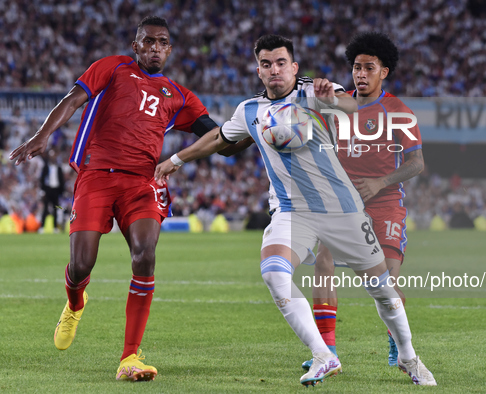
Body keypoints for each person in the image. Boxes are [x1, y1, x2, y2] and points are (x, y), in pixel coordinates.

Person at [155, 34, 436, 387]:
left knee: (382, 289)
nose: (275, 70)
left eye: (281, 63)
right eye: (267, 64)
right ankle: (324, 354)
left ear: (294, 67)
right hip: (291, 211)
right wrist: (176, 159)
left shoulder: (312, 94)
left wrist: (329, 96)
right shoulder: (250, 111)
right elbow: (218, 139)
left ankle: (409, 357)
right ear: (258, 70)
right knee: (274, 274)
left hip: (341, 209)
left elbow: (351, 106)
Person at [10, 16, 221, 381]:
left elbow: (219, 136)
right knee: (81, 265)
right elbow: (73, 99)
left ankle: (130, 357)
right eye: (148, 41)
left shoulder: (178, 95)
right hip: (96, 175)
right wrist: (42, 135)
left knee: (145, 254)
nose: (155, 47)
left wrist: (256, 129)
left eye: (162, 42)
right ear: (136, 46)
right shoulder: (113, 68)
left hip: (143, 181)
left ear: (169, 49)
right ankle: (76, 301)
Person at [300, 32, 424, 372]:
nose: (360, 74)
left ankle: (399, 349)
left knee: (385, 280)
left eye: (369, 68)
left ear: (384, 71)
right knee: (323, 262)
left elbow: (417, 163)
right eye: (356, 67)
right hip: (343, 204)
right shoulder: (337, 105)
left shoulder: (399, 111)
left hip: (385, 204)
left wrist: (380, 182)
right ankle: (326, 351)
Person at [39, 149, 66, 232]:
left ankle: (55, 227)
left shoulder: (58, 168)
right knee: (45, 208)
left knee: (55, 208)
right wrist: (42, 190)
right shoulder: (46, 167)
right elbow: (42, 179)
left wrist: (62, 191)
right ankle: (42, 227)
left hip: (56, 190)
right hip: (48, 189)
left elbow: (61, 180)